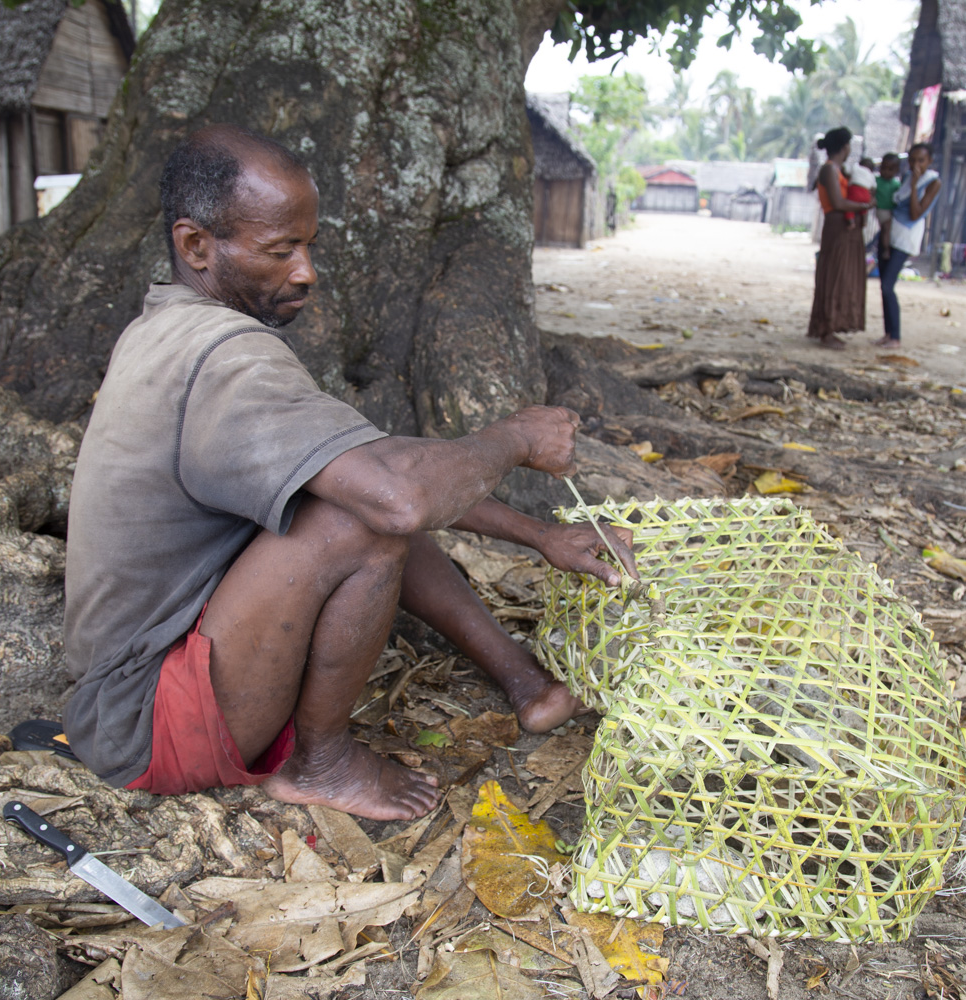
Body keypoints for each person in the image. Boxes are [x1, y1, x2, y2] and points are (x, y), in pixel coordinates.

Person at [61, 124, 638, 821]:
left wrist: (538, 534)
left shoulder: (173, 328)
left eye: (307, 246)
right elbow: (394, 499)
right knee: (366, 518)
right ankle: (321, 763)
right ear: (195, 246)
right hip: (149, 724)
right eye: (280, 251)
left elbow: (365, 467)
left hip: (145, 698)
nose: (306, 272)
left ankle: (526, 682)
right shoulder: (226, 360)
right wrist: (514, 437)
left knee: (359, 493)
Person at [806, 127, 871, 349]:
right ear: (845, 147)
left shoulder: (840, 171)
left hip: (845, 229)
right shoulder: (829, 170)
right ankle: (826, 329)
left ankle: (833, 326)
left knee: (842, 277)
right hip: (836, 226)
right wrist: (866, 205)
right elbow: (839, 203)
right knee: (833, 276)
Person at [874, 143, 941, 347]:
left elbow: (916, 213)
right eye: (912, 160)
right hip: (891, 232)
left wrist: (914, 186)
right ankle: (888, 333)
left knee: (888, 285)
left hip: (906, 237)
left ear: (929, 161)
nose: (915, 164)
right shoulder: (905, 178)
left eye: (920, 160)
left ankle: (895, 336)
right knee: (883, 286)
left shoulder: (932, 182)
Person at [874, 153, 902, 261]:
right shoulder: (876, 181)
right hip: (882, 210)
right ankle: (886, 250)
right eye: (884, 168)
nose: (886, 172)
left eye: (890, 169)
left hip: (892, 211)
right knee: (886, 229)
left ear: (896, 170)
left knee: (889, 230)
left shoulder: (896, 184)